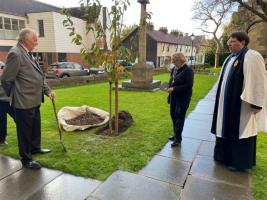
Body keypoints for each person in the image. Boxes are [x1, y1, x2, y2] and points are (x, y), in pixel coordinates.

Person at [211, 31, 267, 171]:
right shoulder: (229, 58)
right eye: (228, 41)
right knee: (225, 128)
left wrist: (257, 103)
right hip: (226, 105)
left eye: (233, 41)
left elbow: (259, 81)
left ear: (243, 42)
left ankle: (239, 162)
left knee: (240, 131)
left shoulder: (251, 57)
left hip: (242, 106)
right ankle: (224, 157)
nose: (229, 44)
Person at [1, 28, 55, 170]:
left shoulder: (27, 53)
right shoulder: (15, 53)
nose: (36, 43)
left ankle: (35, 148)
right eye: (34, 40)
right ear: (24, 39)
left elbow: (37, 76)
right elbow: (6, 79)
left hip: (35, 100)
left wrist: (47, 91)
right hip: (23, 101)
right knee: (24, 131)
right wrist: (16, 94)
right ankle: (26, 158)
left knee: (35, 127)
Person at [167, 53, 194, 147]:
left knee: (179, 117)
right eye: (173, 61)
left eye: (174, 61)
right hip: (174, 96)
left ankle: (178, 139)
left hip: (183, 98)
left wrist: (174, 89)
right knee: (173, 115)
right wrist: (168, 88)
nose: (173, 63)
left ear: (180, 60)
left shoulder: (188, 70)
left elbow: (188, 85)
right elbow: (172, 80)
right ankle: (175, 135)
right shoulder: (175, 68)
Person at [0, 63, 15, 146]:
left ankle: (24, 136)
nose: (2, 69)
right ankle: (2, 140)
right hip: (0, 102)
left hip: (10, 101)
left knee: (19, 118)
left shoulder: (8, 76)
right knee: (2, 122)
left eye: (3, 68)